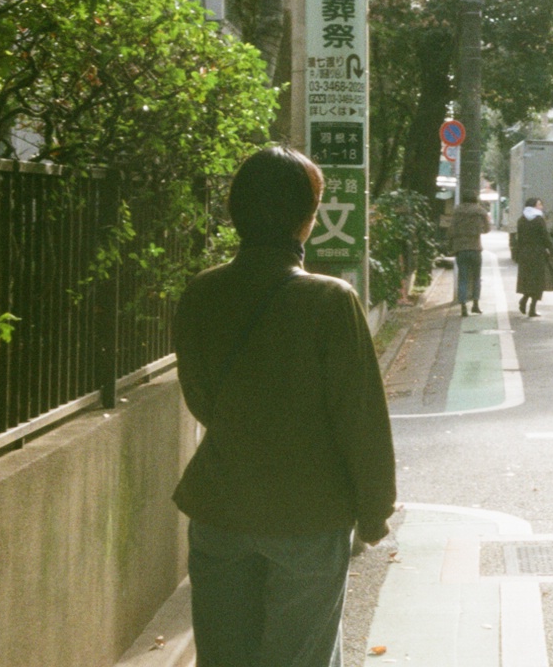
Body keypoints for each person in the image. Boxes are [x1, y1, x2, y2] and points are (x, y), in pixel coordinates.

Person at [173, 146, 396, 667]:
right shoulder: (330, 301)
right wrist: (374, 510)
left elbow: (201, 398)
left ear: (237, 212)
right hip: (308, 515)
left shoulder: (202, 293)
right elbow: (360, 418)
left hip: (220, 507)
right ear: (307, 218)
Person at [447, 198, 492, 316]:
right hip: (475, 248)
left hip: (461, 249)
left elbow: (451, 230)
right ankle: (475, 304)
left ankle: (463, 306)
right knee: (477, 277)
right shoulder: (480, 211)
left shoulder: (457, 211)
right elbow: (487, 229)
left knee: (463, 277)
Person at [513, 197, 553, 318]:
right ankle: (531, 308)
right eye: (539, 204)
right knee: (538, 281)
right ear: (533, 206)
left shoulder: (521, 220)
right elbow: (545, 236)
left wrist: (517, 254)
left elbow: (519, 239)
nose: (541, 207)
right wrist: (552, 249)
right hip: (537, 253)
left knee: (527, 279)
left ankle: (524, 300)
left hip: (524, 253)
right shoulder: (538, 219)